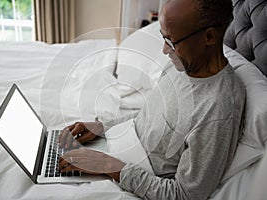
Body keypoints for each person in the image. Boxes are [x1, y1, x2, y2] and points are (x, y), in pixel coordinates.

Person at [58, 0, 246, 199]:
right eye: (163, 38)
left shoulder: (218, 109)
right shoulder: (182, 66)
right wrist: (103, 127)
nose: (165, 50)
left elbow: (184, 194)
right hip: (121, 147)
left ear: (209, 37)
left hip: (134, 175)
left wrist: (107, 165)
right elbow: (147, 117)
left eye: (172, 42)